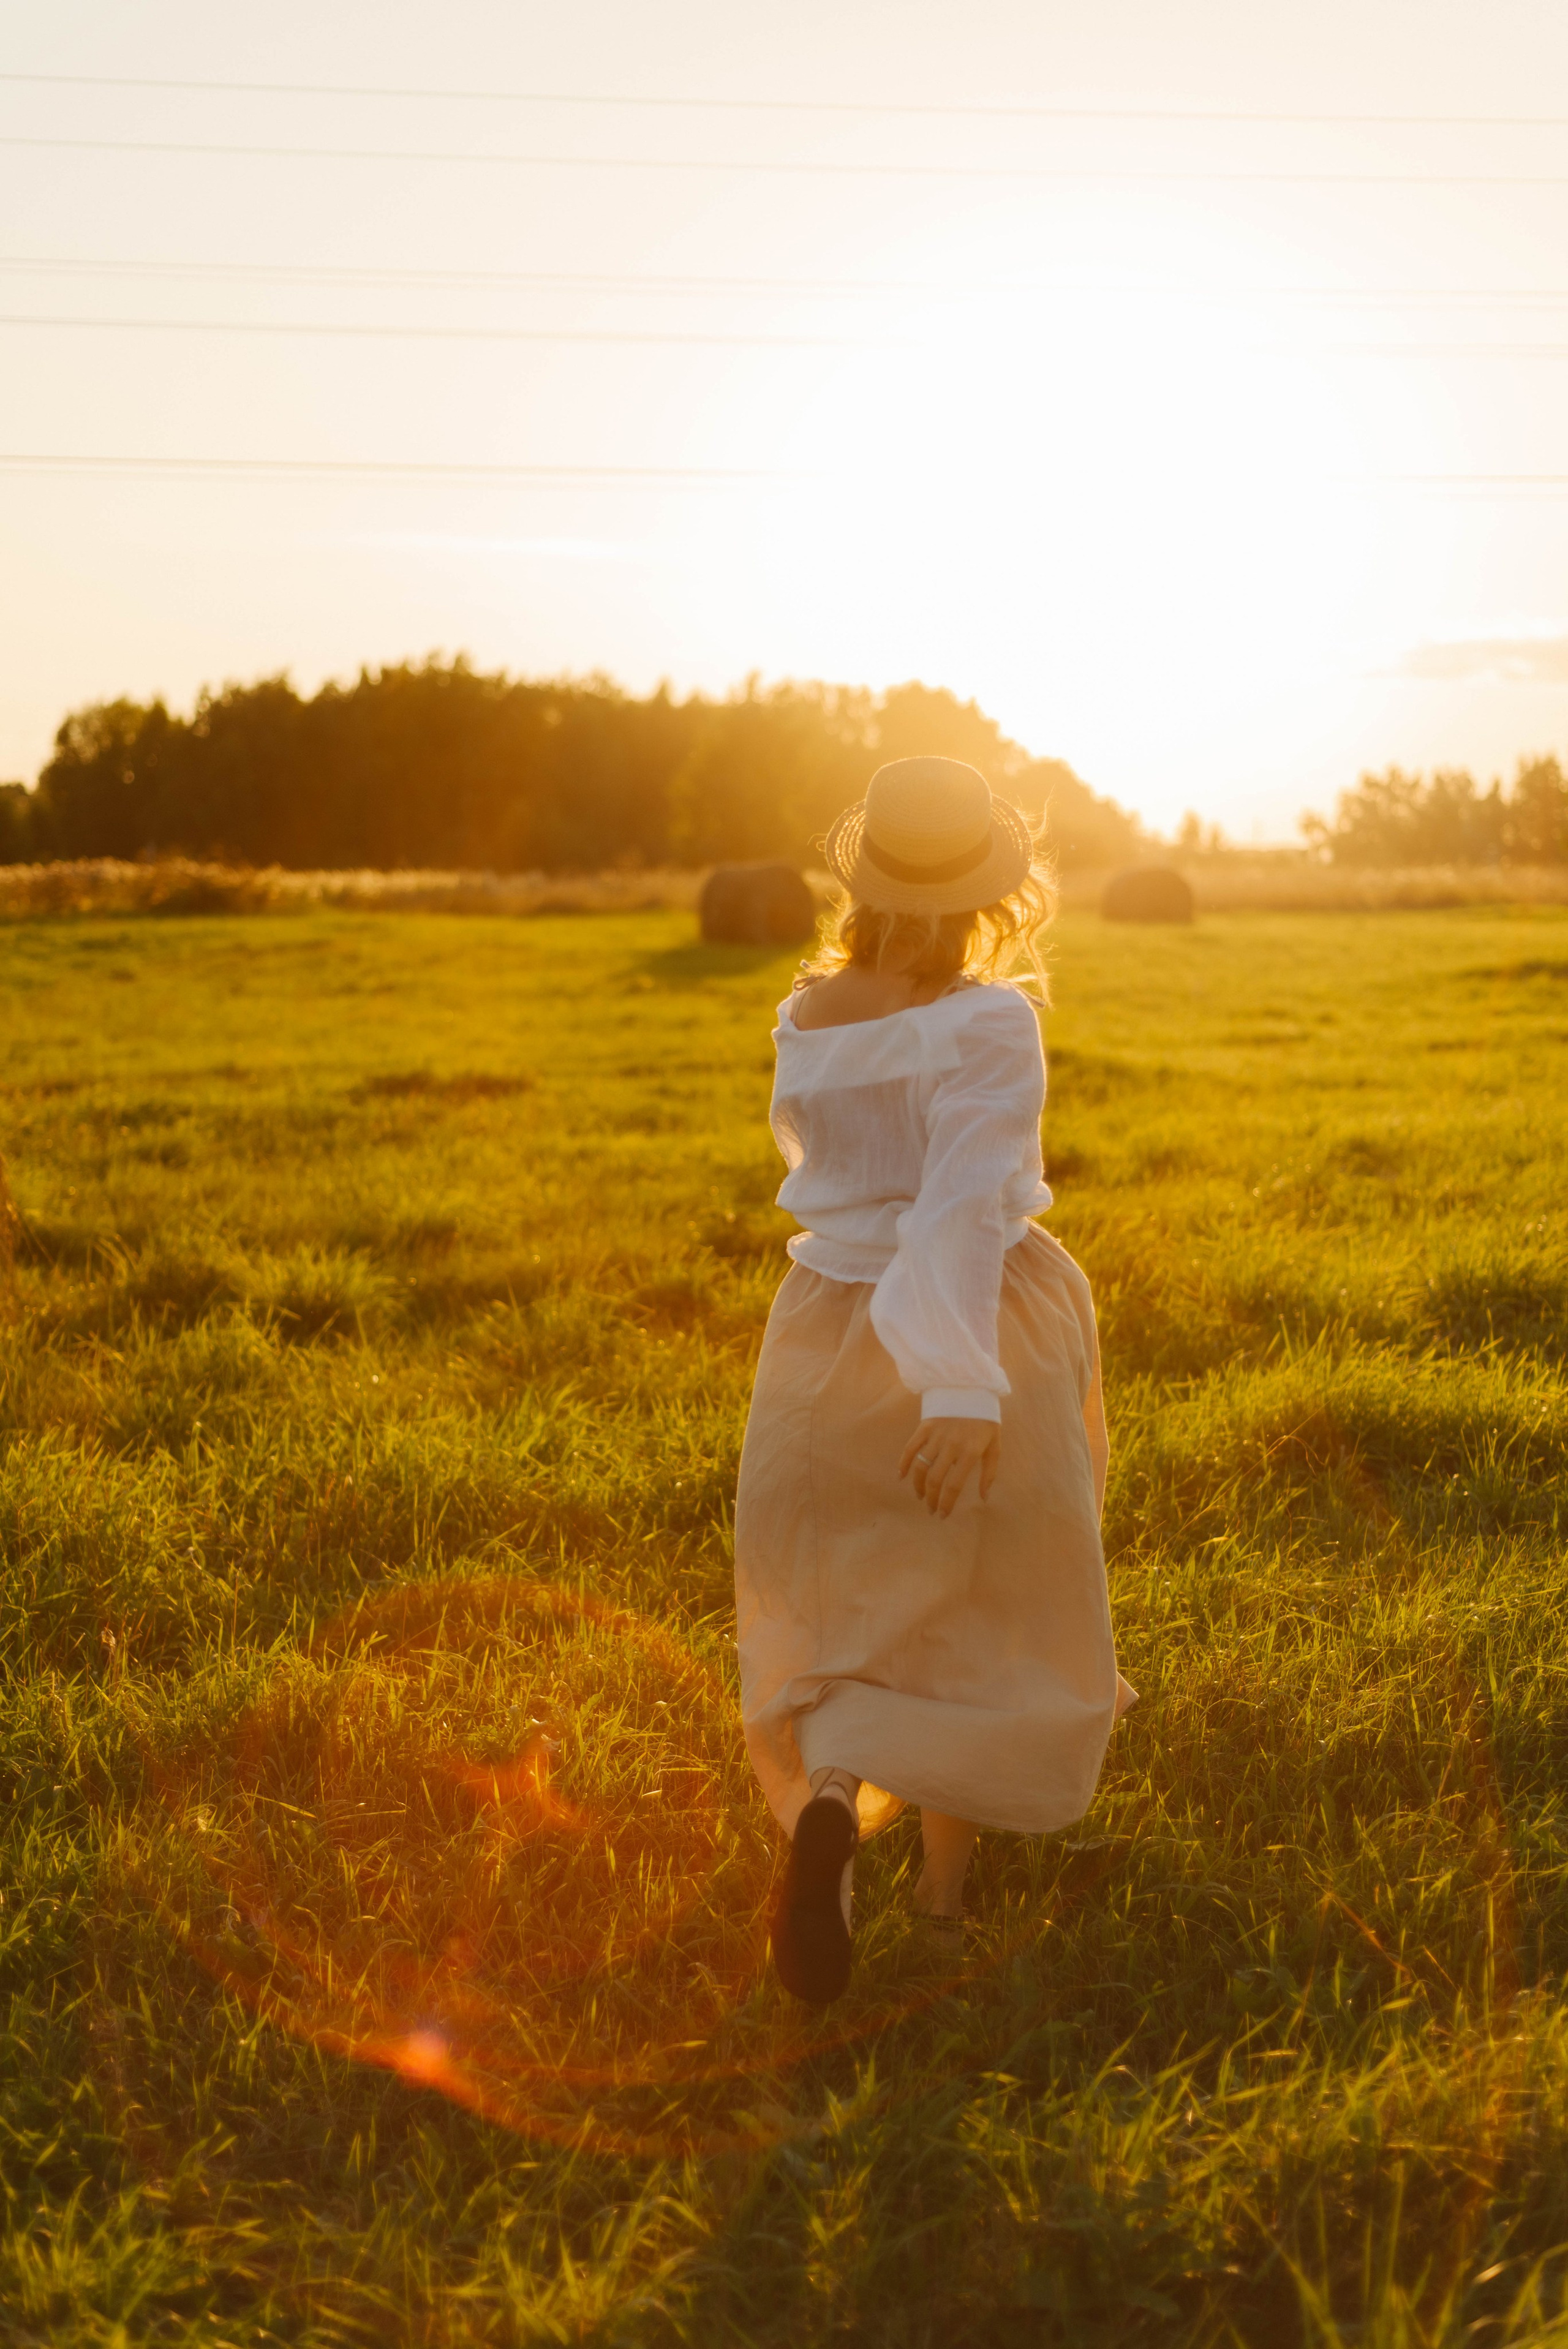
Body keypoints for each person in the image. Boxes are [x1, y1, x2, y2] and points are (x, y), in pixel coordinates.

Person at [733, 755, 1134, 2006]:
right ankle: (944, 1901)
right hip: (979, 1325)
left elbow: (834, 1174)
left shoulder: (805, 1010)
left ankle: (835, 1803)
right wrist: (963, 1390)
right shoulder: (988, 1018)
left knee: (853, 1591)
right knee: (983, 1600)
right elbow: (959, 1208)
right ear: (990, 891)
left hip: (819, 1327)